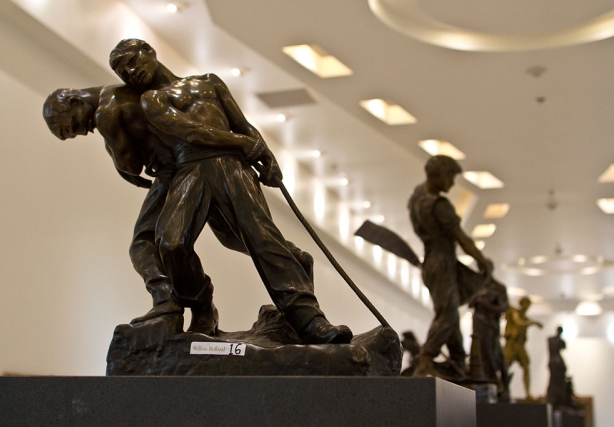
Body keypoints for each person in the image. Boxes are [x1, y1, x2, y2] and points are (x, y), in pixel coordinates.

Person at [107, 39, 352, 344]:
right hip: (191, 169)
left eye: (132, 61)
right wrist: (241, 143)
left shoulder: (209, 82)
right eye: (121, 70)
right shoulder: (152, 101)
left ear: (150, 53)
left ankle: (311, 322)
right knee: (170, 243)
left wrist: (266, 156)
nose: (129, 72)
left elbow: (243, 125)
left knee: (262, 239)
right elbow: (190, 132)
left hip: (233, 167)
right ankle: (201, 304)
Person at [42, 85, 316, 333]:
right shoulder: (124, 93)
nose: (82, 132)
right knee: (232, 236)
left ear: (76, 101)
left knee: (144, 243)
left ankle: (171, 300)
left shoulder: (106, 111)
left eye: (73, 126)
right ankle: (295, 259)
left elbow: (130, 164)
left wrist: (120, 163)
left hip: (173, 171)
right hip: (191, 166)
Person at [408, 155, 493, 378]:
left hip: (430, 263)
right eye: (451, 177)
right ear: (438, 175)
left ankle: (458, 360)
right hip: (442, 262)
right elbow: (462, 239)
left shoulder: (416, 197)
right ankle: (425, 360)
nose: (453, 183)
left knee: (450, 311)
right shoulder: (439, 205)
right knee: (448, 315)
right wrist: (481, 260)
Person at [468, 278, 509, 394]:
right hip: (478, 322)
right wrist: (477, 298)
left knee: (491, 352)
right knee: (479, 351)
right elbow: (470, 303)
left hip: (490, 325)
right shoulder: (478, 285)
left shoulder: (498, 287)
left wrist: (489, 307)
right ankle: (482, 379)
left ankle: (494, 381)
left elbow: (504, 307)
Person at [504, 296, 543, 400]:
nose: (527, 307)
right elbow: (518, 322)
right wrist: (533, 323)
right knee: (505, 366)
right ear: (522, 304)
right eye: (526, 304)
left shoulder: (525, 318)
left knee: (526, 367)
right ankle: (502, 389)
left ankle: (528, 393)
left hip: (520, 345)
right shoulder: (513, 312)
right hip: (512, 344)